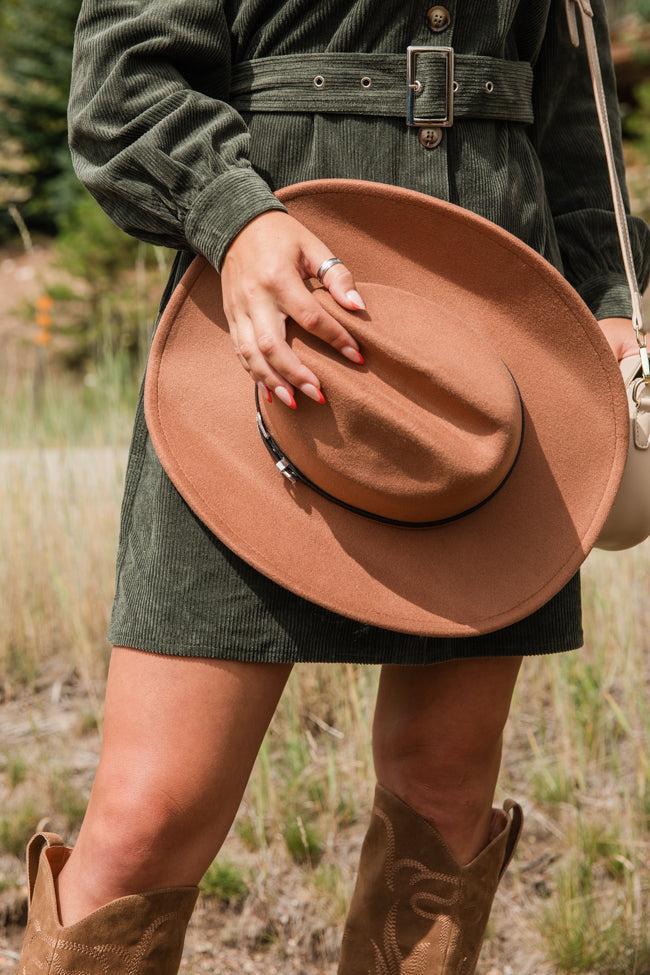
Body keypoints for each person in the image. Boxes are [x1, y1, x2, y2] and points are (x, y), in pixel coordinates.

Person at [17, 1, 650, 973]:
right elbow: (123, 88)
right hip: (266, 326)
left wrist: (607, 301)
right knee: (150, 817)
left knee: (442, 791)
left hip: (499, 347)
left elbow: (575, 126)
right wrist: (234, 219)